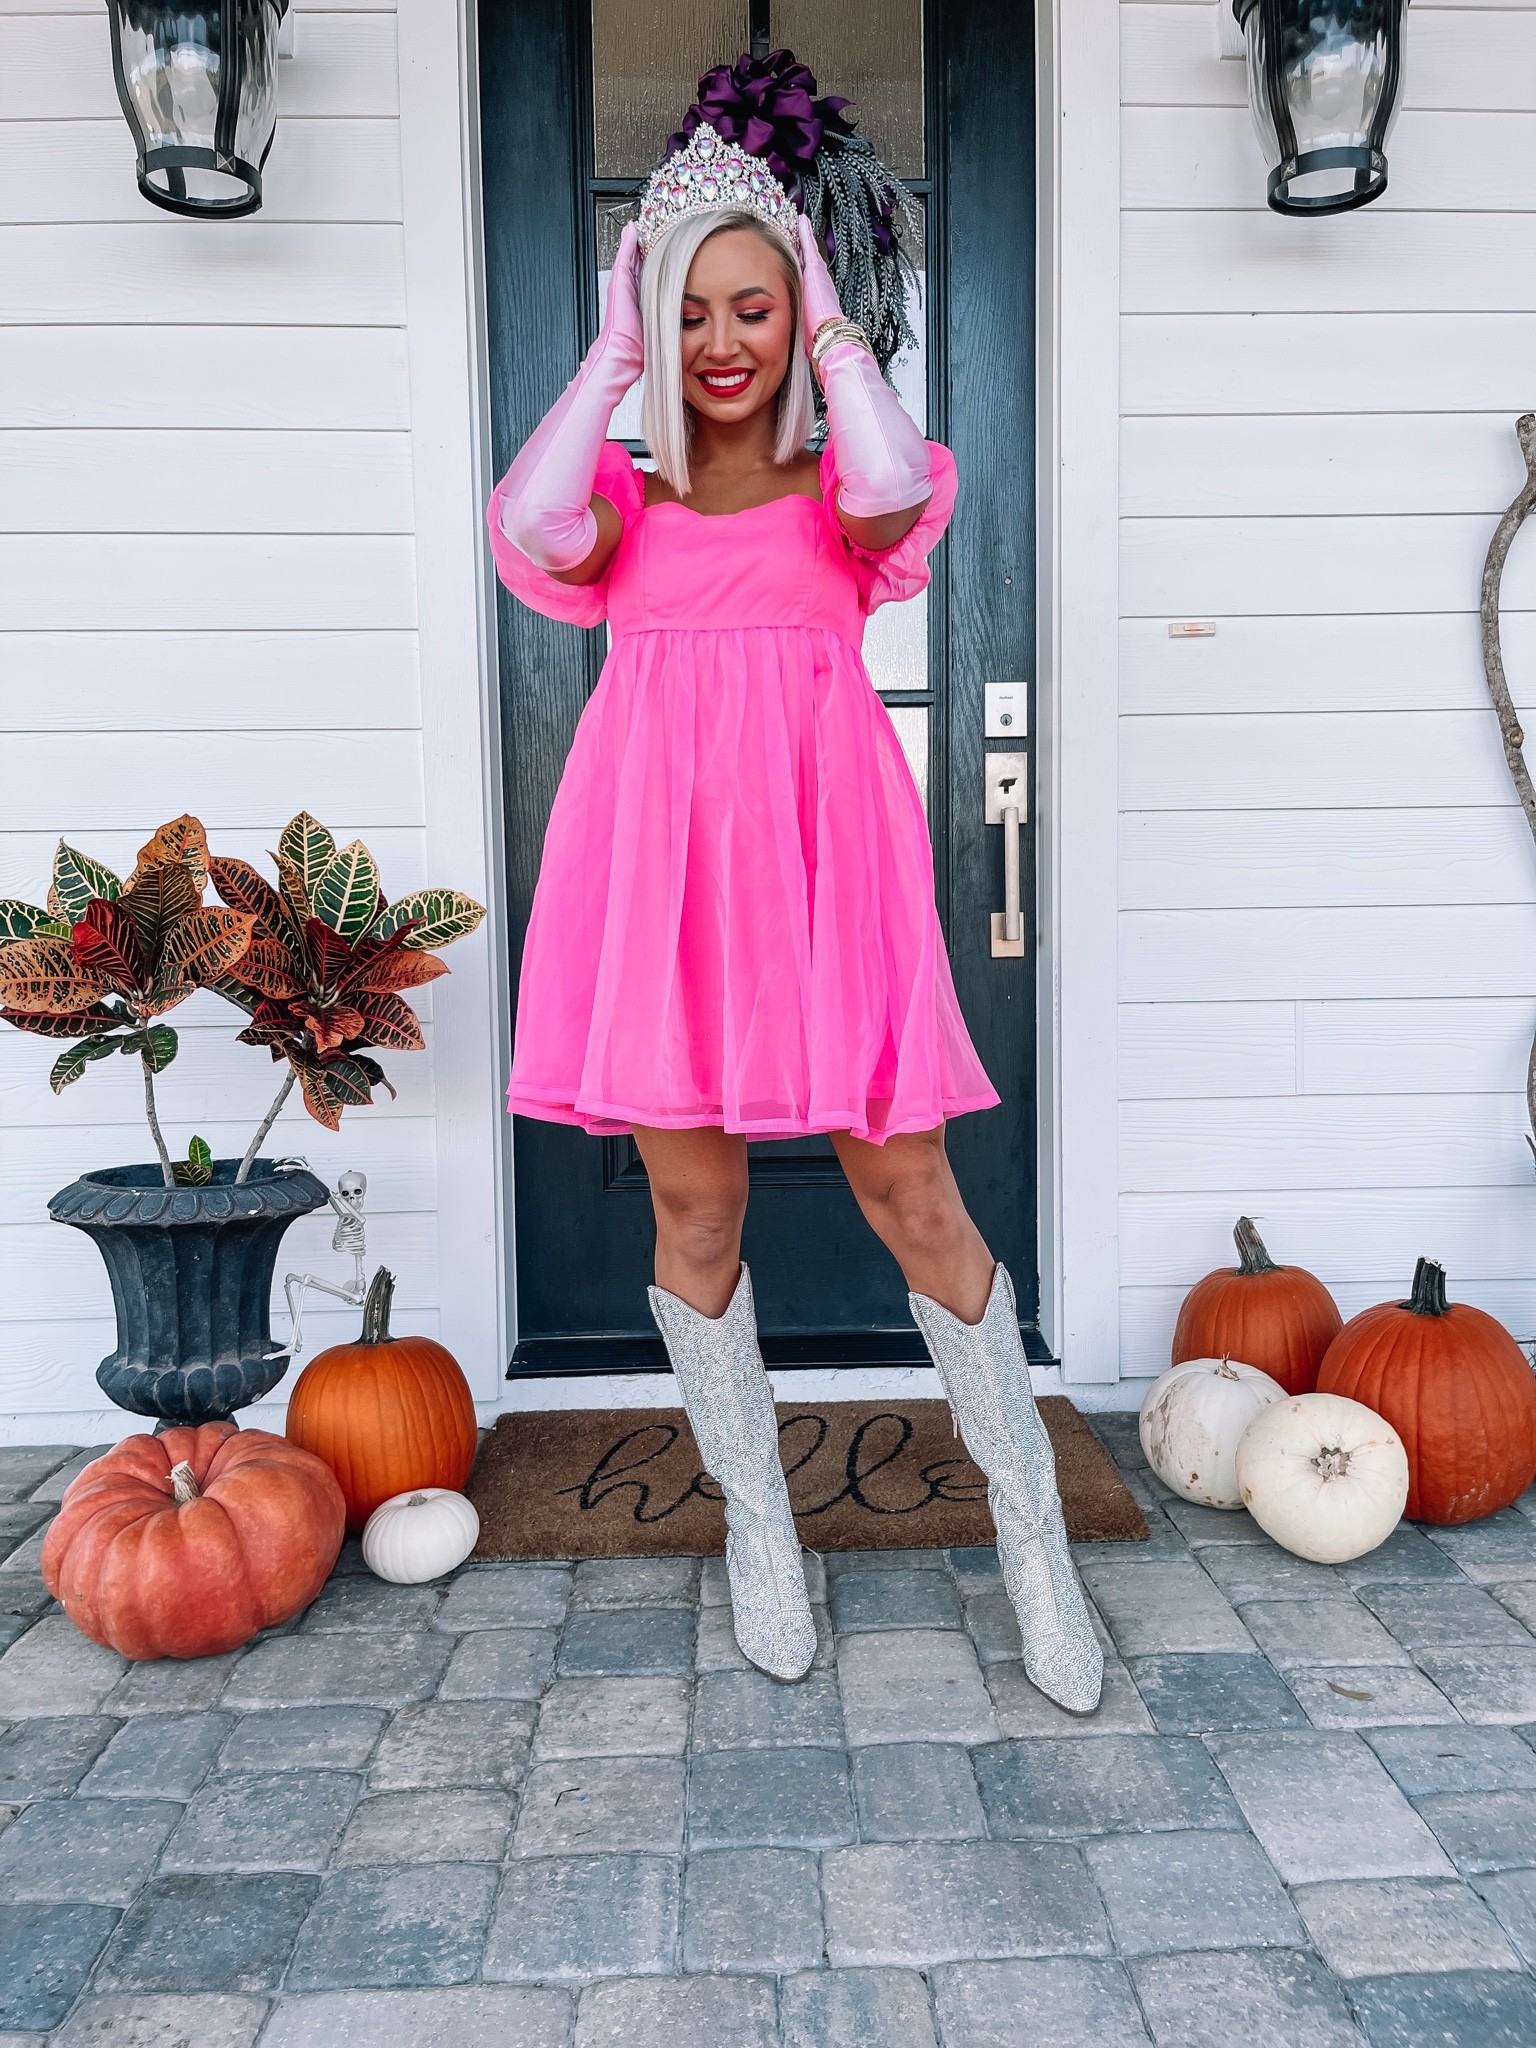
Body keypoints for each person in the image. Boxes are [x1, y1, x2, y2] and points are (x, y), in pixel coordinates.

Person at [487, 60, 1101, 1713]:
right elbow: (526, 515)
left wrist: (833, 317)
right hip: (663, 889)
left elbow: (900, 483)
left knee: (914, 1196)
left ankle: (1029, 1528)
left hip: (828, 885)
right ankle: (760, 1521)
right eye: (699, 315)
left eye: (752, 307)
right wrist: (616, 347)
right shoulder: (628, 505)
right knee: (699, 1205)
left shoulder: (843, 500)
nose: (724, 341)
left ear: (796, 309)